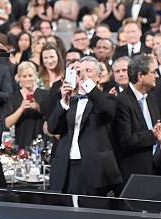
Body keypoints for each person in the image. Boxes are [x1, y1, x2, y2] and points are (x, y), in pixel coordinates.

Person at [47, 56, 121, 195]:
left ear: (99, 77)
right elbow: (53, 128)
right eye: (80, 71)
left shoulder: (107, 98)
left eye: (89, 70)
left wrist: (86, 81)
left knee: (91, 213)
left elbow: (106, 110)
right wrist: (63, 102)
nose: (82, 74)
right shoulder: (70, 101)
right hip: (66, 166)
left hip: (94, 169)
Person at [113, 54, 161, 185]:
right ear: (140, 76)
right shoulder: (121, 101)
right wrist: (154, 134)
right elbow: (125, 140)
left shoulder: (151, 98)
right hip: (133, 173)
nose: (156, 75)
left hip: (154, 169)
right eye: (153, 72)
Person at [4, 62, 48, 149]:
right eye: (24, 76)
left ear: (35, 76)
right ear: (19, 78)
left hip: (41, 142)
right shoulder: (13, 98)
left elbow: (50, 117)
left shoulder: (45, 94)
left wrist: (38, 108)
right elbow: (7, 123)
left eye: (30, 75)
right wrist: (21, 108)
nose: (28, 79)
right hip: (21, 142)